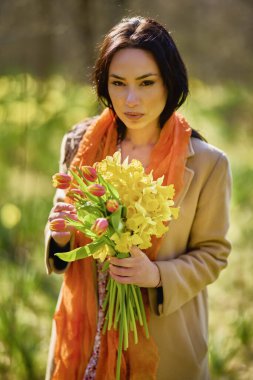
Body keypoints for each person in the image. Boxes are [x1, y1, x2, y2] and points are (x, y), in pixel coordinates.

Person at [45, 16, 232, 380]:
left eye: (147, 83)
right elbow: (59, 224)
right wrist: (61, 237)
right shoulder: (79, 145)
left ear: (169, 82)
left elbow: (213, 254)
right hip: (84, 337)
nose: (131, 99)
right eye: (118, 83)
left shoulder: (209, 163)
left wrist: (156, 275)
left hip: (164, 342)